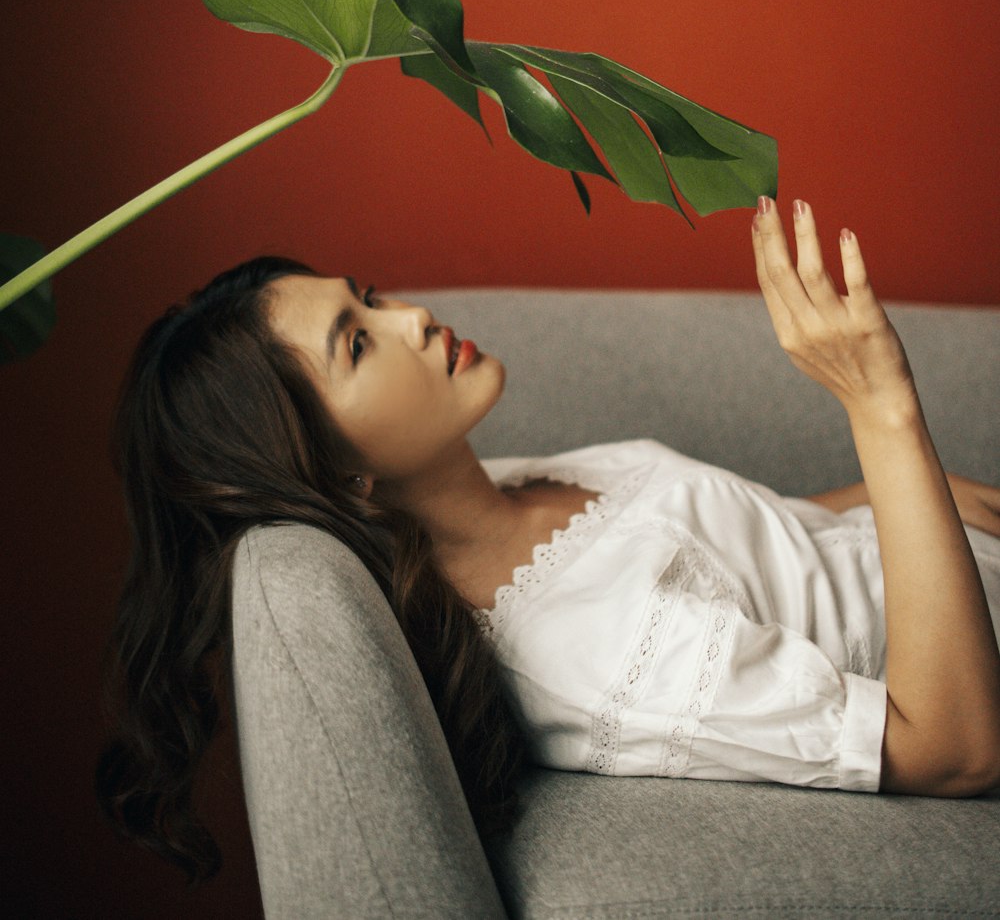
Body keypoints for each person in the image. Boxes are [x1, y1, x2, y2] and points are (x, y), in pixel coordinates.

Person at [95, 196, 1000, 886]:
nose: (410, 317)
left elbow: (736, 552)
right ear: (333, 473)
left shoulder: (511, 488)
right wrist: (881, 410)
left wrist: (904, 499)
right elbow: (950, 749)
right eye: (358, 343)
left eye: (367, 298)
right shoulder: (589, 651)